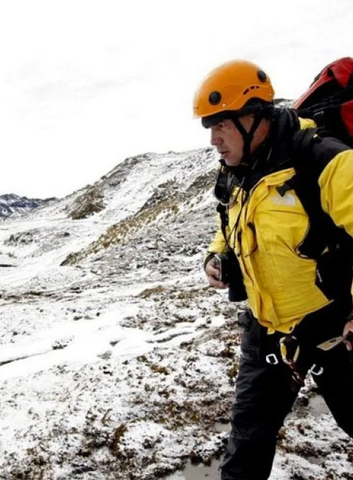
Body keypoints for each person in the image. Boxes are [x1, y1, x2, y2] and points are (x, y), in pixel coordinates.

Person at [193, 59, 353, 479]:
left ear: (253, 117)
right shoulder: (235, 174)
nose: (213, 140)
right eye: (208, 128)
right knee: (247, 440)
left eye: (221, 125)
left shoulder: (323, 161)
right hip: (266, 331)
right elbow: (227, 226)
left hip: (335, 335)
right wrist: (218, 256)